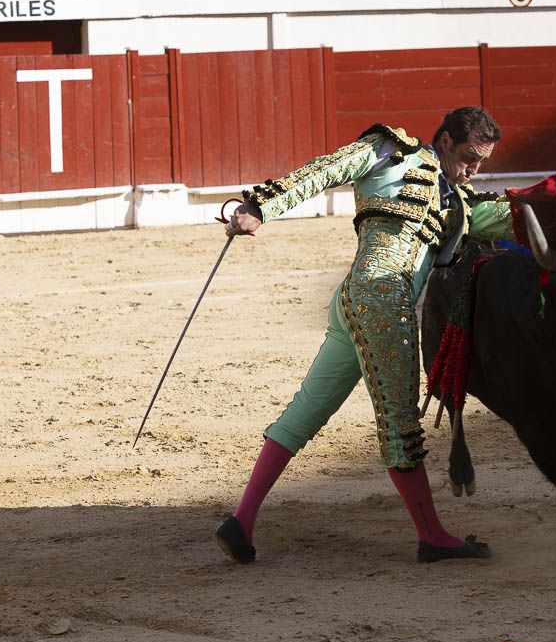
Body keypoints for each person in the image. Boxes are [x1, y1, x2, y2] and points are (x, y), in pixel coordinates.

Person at [214, 107, 515, 565]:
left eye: (482, 163)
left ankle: (241, 522)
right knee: (400, 425)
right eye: (470, 157)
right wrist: (259, 207)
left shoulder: (461, 204)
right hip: (383, 305)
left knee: (306, 411)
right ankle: (432, 535)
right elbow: (324, 171)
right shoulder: (392, 152)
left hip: (354, 302)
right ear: (446, 139)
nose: (473, 169)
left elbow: (520, 215)